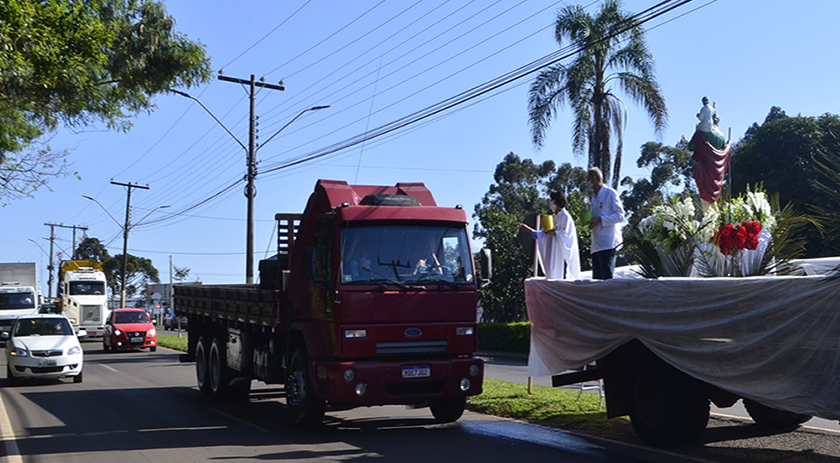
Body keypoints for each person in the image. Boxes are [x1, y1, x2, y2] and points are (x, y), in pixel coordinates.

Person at [519, 191, 581, 280]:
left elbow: (567, 235)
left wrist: (555, 233)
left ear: (556, 201)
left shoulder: (565, 216)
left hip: (561, 251)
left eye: (552, 200)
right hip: (552, 251)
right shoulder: (553, 217)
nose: (551, 203)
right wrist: (529, 230)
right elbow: (542, 234)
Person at [586, 167, 625, 279]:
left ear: (594, 179)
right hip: (596, 245)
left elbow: (620, 216)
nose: (588, 184)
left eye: (588, 180)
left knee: (607, 280)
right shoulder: (594, 199)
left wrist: (601, 219)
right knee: (597, 281)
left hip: (609, 243)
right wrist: (588, 217)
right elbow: (596, 217)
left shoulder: (610, 193)